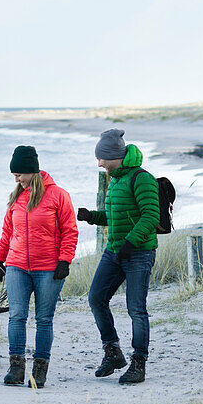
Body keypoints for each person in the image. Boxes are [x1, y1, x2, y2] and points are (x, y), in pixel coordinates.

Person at [76, 128, 159, 385]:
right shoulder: (116, 179)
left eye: (101, 157)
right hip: (114, 251)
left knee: (136, 309)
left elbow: (150, 216)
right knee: (96, 299)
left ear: (114, 155)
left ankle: (138, 363)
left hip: (138, 253)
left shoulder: (141, 178)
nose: (98, 162)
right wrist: (92, 216)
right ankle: (112, 352)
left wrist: (131, 244)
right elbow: (115, 218)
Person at [0, 145, 78, 388]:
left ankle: (39, 370)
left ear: (32, 171)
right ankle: (16, 368)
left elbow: (70, 231)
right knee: (17, 316)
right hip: (17, 266)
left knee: (44, 319)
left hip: (48, 269)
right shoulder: (17, 197)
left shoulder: (58, 195)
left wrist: (65, 260)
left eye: (19, 174)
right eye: (14, 175)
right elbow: (8, 231)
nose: (17, 179)